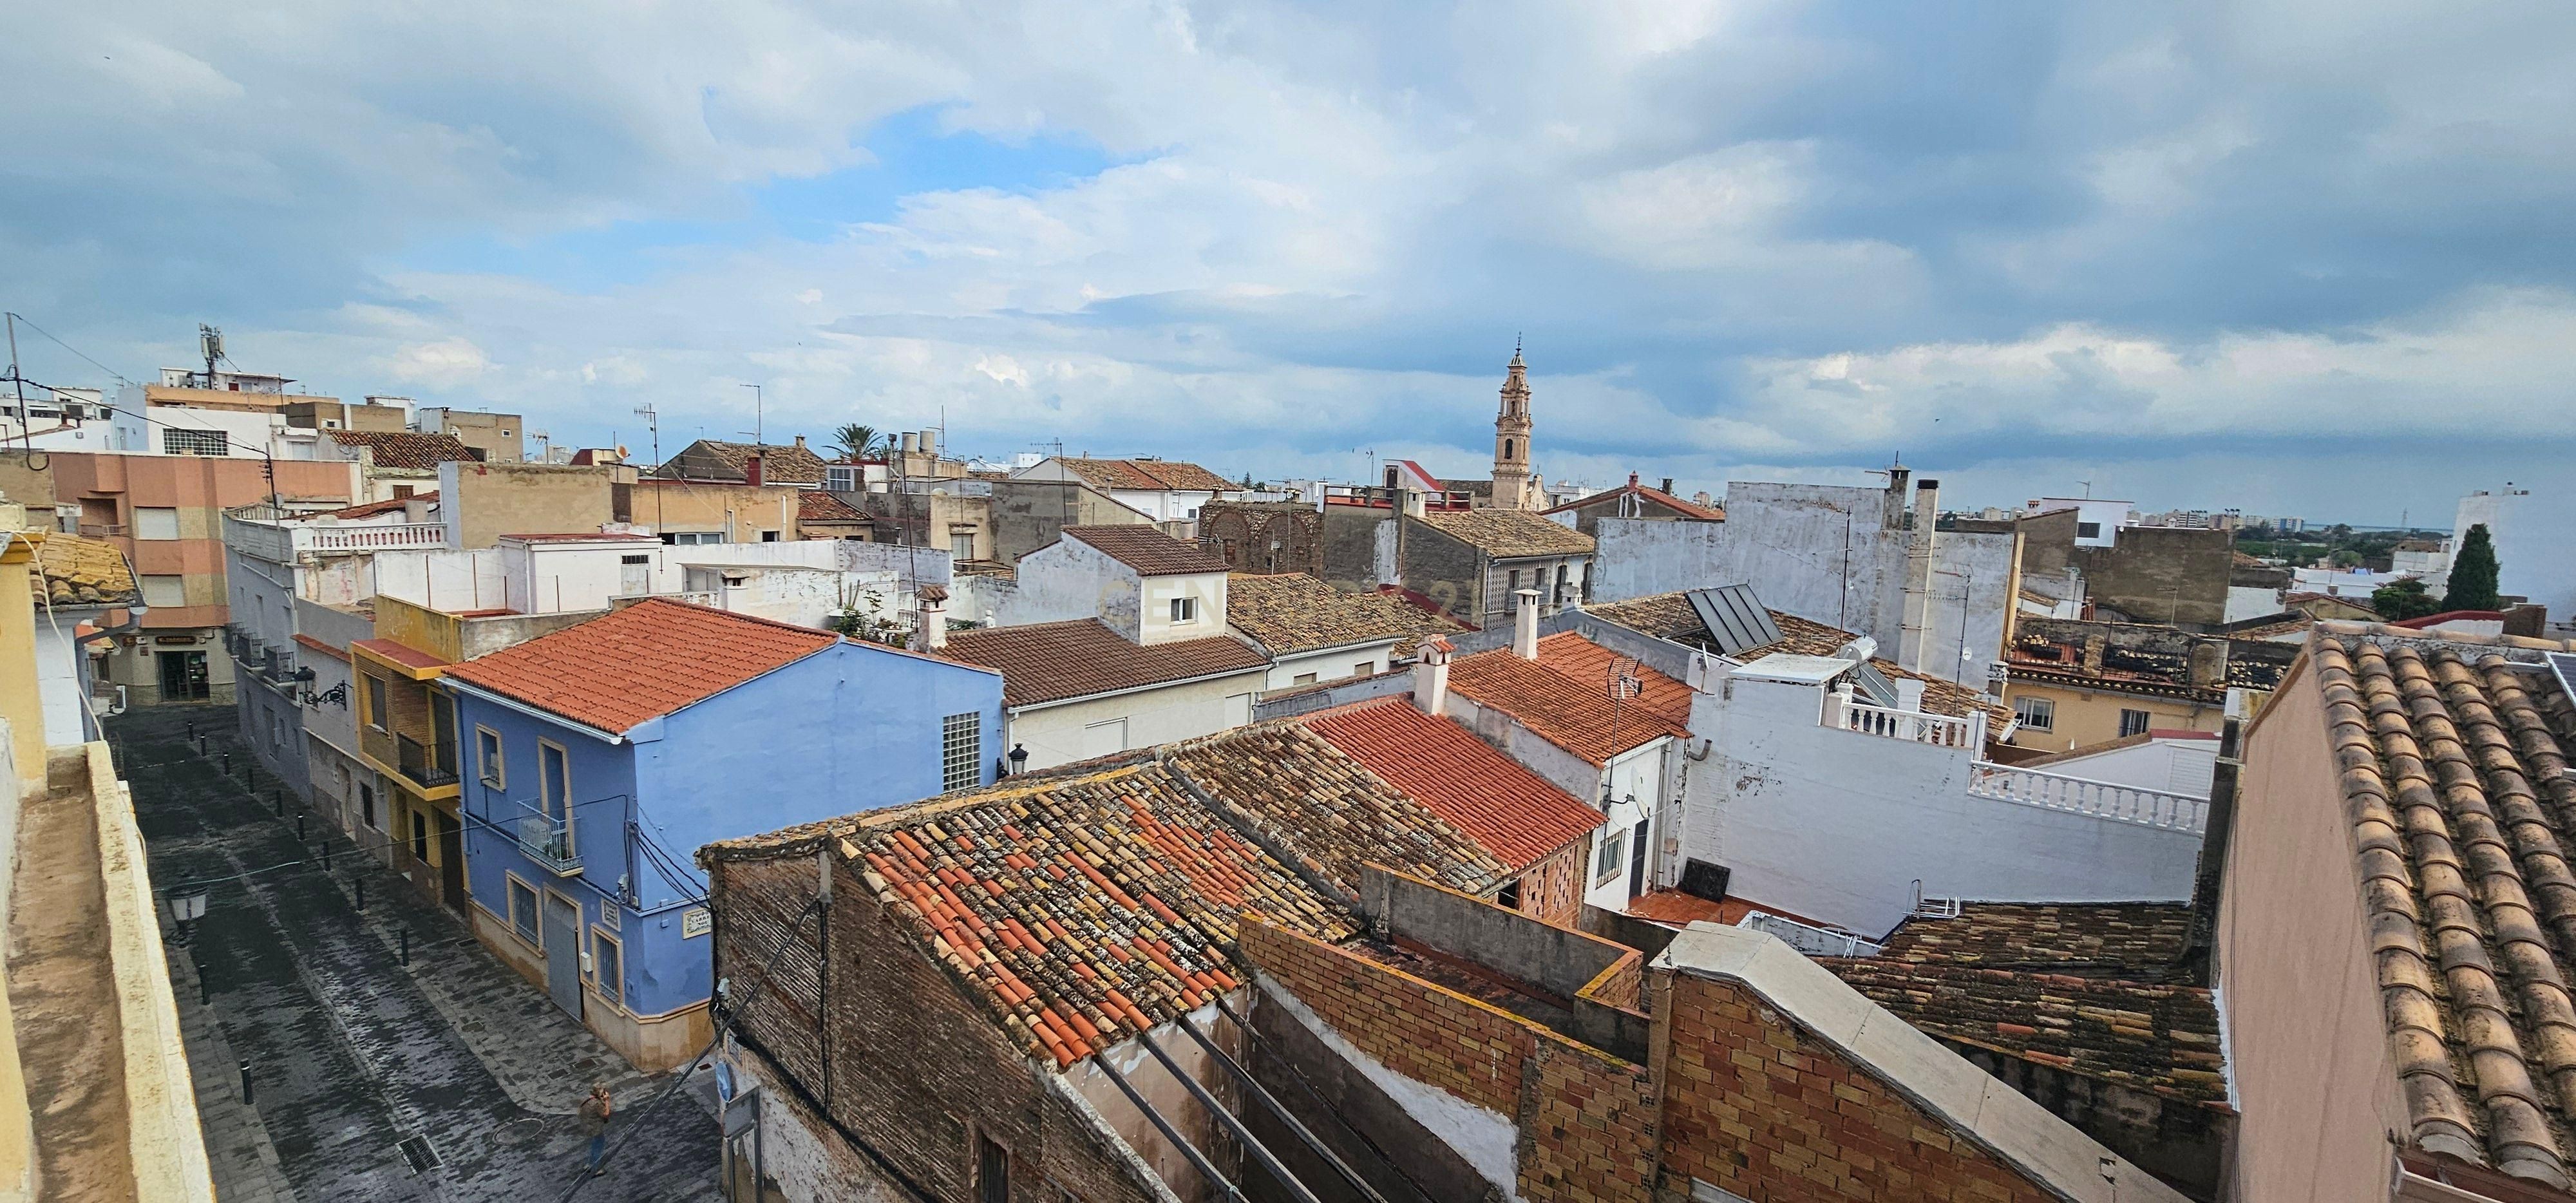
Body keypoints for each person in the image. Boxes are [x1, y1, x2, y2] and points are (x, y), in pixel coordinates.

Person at [578, 1083, 614, 1177]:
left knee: (595, 1144)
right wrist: (606, 1101)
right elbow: (606, 1114)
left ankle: (590, 1164)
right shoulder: (596, 1104)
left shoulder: (587, 1100)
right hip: (595, 1128)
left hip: (587, 1126)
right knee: (598, 1146)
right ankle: (596, 1169)